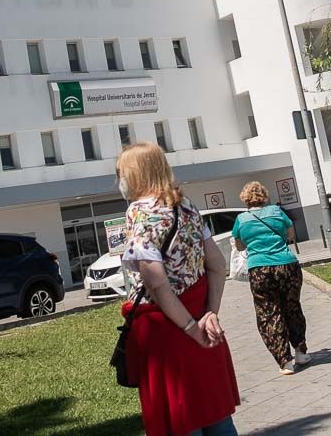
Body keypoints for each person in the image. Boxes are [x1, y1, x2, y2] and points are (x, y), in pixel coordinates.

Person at [118, 143, 239, 436]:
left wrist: (189, 327)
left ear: (135, 174)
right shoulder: (186, 206)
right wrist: (210, 314)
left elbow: (156, 282)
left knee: (179, 417)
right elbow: (217, 263)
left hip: (167, 331)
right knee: (215, 414)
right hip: (201, 320)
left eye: (120, 173)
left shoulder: (139, 211)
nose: (118, 181)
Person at [231, 181, 309, 375]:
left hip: (259, 269)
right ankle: (300, 352)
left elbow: (240, 247)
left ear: (245, 199)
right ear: (264, 196)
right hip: (287, 265)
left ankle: (285, 362)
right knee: (292, 306)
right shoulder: (276, 211)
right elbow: (290, 235)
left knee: (268, 313)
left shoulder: (241, 219)